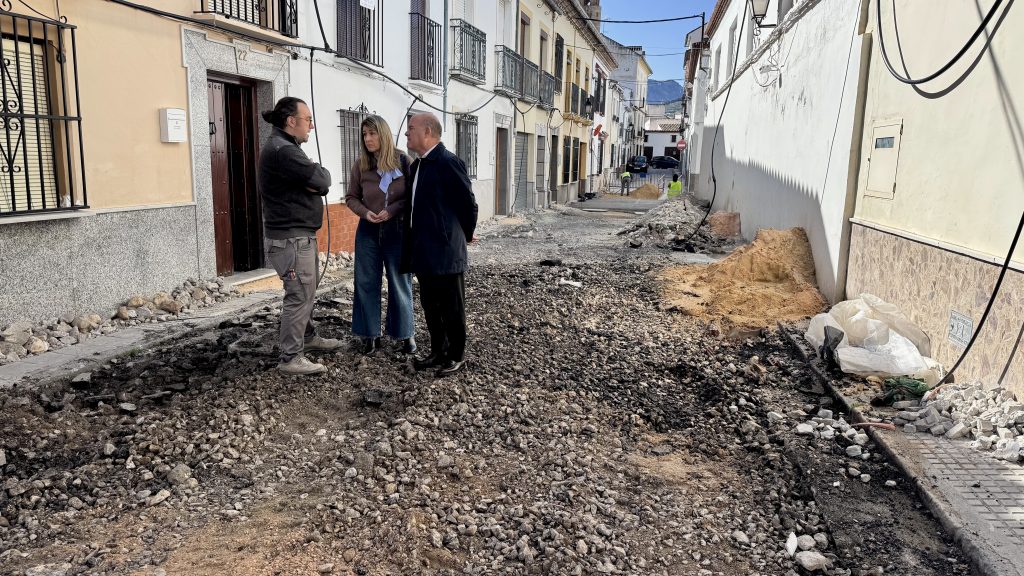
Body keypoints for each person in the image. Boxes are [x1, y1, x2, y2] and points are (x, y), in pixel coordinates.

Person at [258, 96, 342, 375]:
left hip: (295, 237)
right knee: (299, 294)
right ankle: (291, 358)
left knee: (305, 291)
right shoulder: (285, 151)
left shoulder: (286, 147)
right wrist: (317, 181)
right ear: (291, 121)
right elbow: (323, 180)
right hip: (291, 239)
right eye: (308, 120)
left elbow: (316, 182)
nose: (312, 126)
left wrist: (315, 182)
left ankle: (307, 338)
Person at [402, 112, 478, 377]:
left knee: (452, 307)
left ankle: (456, 355)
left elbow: (467, 203)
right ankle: (438, 351)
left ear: (428, 132)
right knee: (430, 306)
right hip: (423, 250)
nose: (407, 133)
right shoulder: (417, 165)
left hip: (446, 250)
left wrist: (465, 234)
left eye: (411, 128)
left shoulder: (448, 163)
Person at [345, 115, 416, 355]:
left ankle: (405, 334)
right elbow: (351, 198)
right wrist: (366, 213)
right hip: (368, 230)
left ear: (383, 134)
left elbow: (412, 197)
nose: (368, 139)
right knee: (365, 282)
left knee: (399, 282)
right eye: (364, 135)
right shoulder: (360, 165)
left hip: (397, 229)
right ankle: (370, 335)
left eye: (372, 133)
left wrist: (393, 210)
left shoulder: (404, 161)